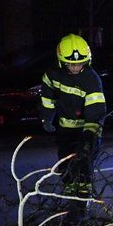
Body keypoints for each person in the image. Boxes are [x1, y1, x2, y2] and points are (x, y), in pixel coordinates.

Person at [39, 34, 106, 201]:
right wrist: (46, 118)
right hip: (65, 129)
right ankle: (70, 192)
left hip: (87, 128)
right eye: (71, 64)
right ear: (61, 61)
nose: (76, 67)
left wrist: (89, 136)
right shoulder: (53, 75)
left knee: (83, 161)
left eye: (80, 63)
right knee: (65, 162)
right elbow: (47, 98)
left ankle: (83, 199)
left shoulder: (91, 79)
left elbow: (96, 111)